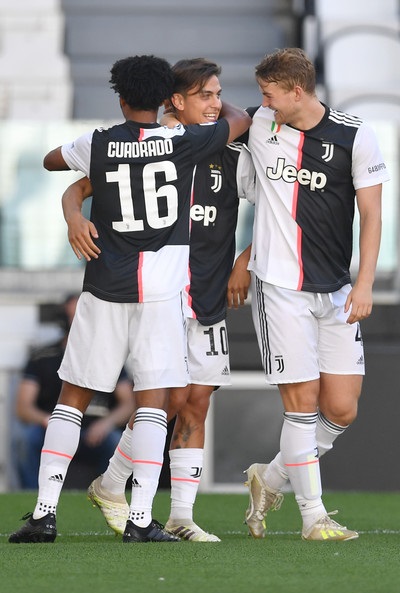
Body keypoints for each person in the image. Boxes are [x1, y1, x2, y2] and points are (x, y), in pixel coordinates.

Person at [9, 54, 250, 544]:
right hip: (162, 293)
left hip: (105, 288)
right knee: (154, 402)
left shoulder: (96, 143)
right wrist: (212, 107)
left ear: (120, 98)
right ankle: (141, 519)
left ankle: (44, 513)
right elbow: (239, 120)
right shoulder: (184, 142)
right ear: (168, 99)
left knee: (72, 399)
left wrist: (78, 194)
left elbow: (51, 160)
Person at [227, 47, 389, 541]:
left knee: (340, 409)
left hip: (337, 289)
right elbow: (220, 118)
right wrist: (243, 258)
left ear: (296, 91)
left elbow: (373, 215)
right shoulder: (258, 123)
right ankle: (313, 516)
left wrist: (364, 283)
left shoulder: (355, 134)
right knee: (301, 402)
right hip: (280, 288)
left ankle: (270, 476)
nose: (263, 102)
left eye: (269, 93)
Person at [14, 294, 135, 489]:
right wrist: (46, 420)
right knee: (27, 439)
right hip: (52, 427)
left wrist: (106, 423)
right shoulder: (42, 357)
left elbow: (129, 402)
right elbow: (23, 407)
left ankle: (110, 495)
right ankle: (33, 496)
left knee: (118, 440)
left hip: (95, 432)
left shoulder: (108, 355)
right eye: (75, 316)